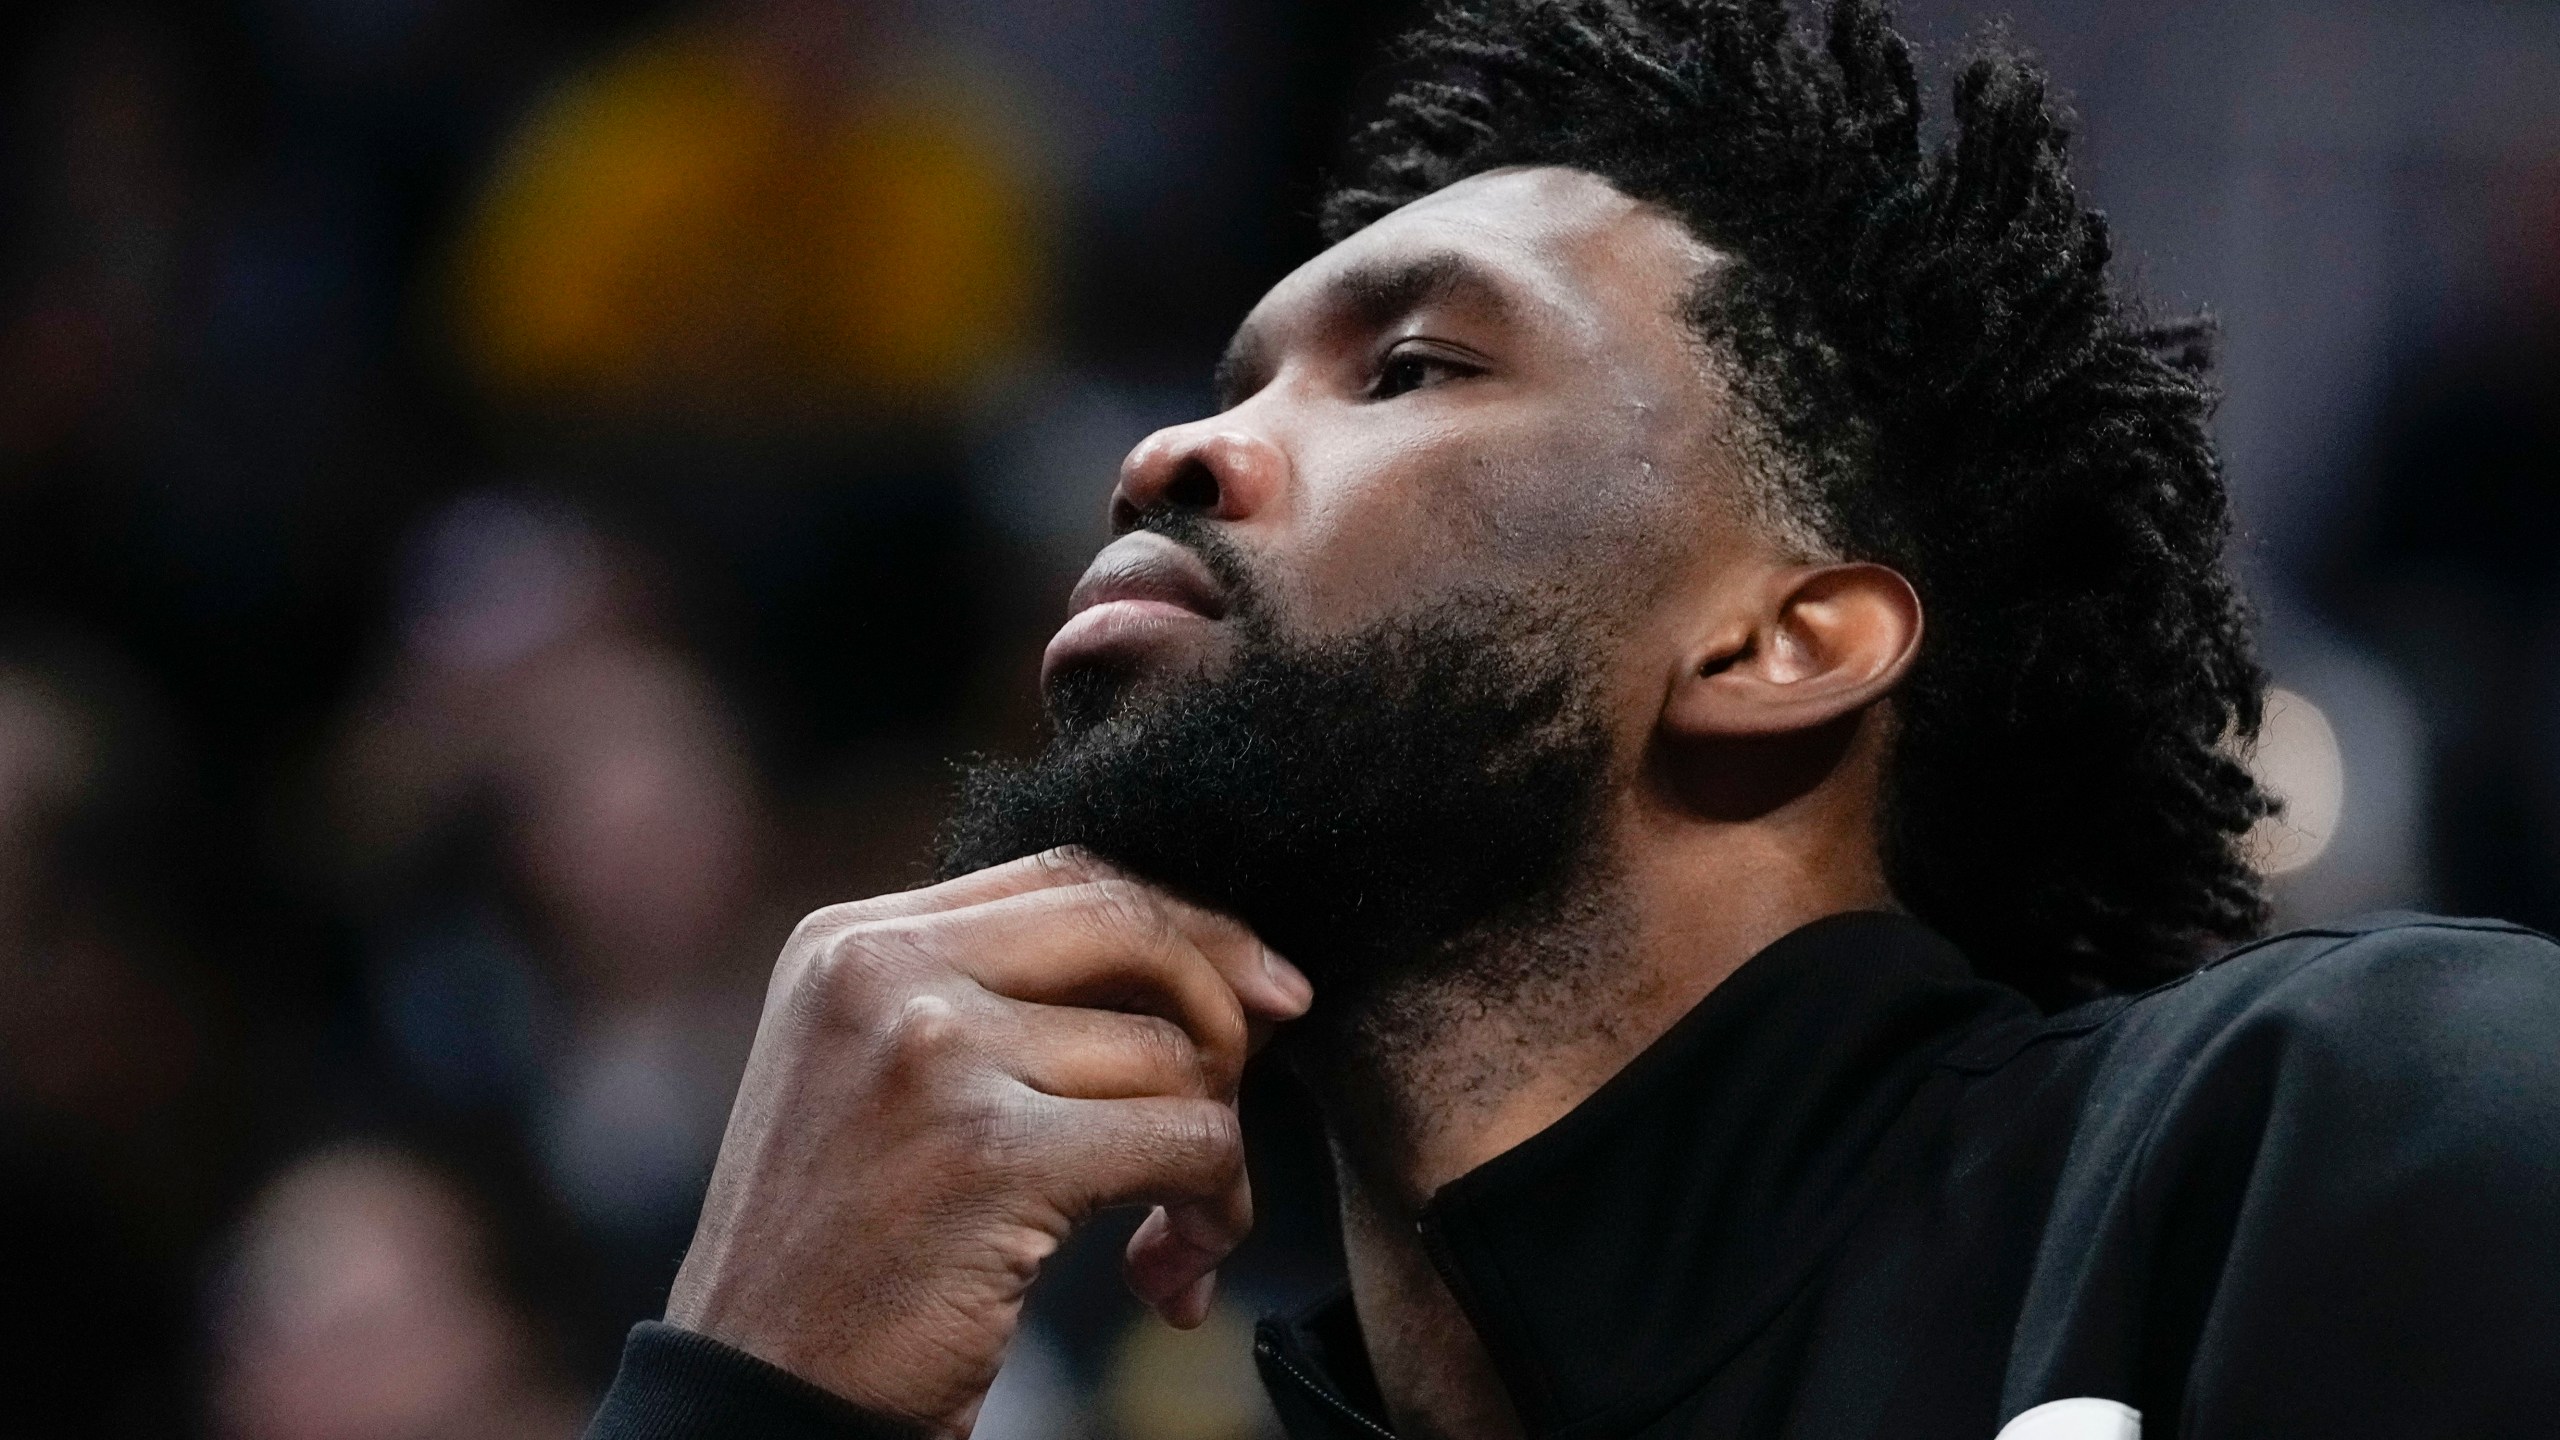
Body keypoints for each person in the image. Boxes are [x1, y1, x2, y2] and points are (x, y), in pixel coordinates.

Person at [585, 1, 2560, 1437]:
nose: (1171, 451)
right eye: (1229, 374)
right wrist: (749, 1400)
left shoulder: (2350, 1132)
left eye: (1412, 368)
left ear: (1778, 642)